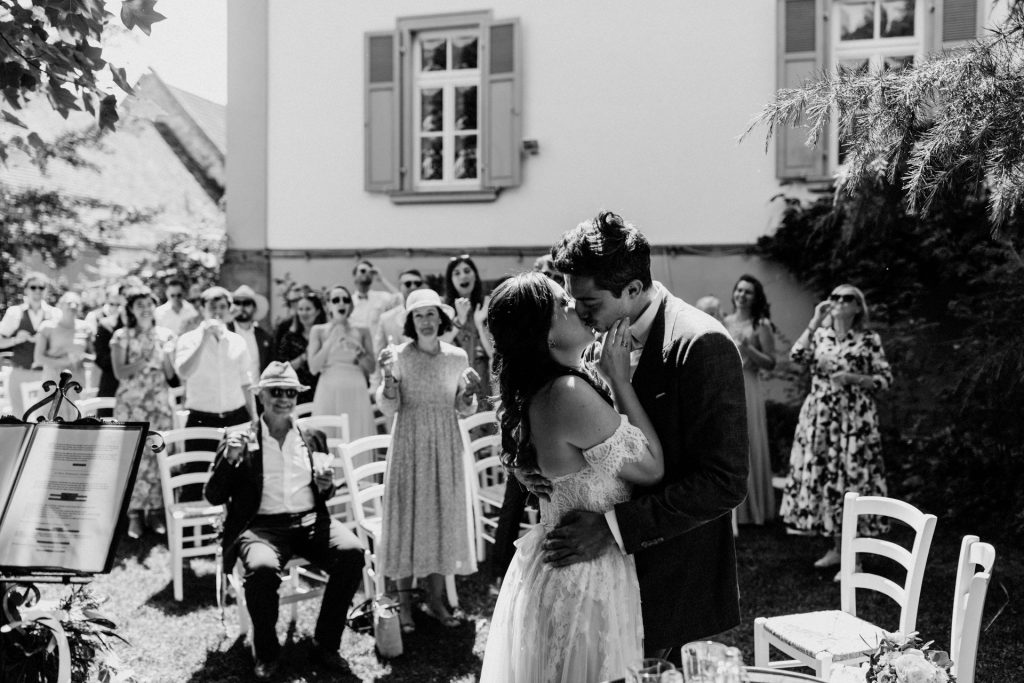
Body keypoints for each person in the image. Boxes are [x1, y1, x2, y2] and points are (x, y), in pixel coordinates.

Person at [530, 210, 749, 663]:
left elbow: (724, 482)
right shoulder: (597, 332)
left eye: (589, 303)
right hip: (597, 583)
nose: (578, 314)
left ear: (631, 289)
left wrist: (613, 528)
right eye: (573, 301)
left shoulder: (702, 344)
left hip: (670, 575)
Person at [480, 272, 664, 680]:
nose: (578, 307)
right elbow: (652, 468)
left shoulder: (545, 388)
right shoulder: (566, 392)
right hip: (584, 580)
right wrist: (620, 380)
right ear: (545, 335)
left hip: (566, 567)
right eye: (563, 304)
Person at [204, 362, 364, 679]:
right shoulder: (239, 438)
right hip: (261, 527)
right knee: (262, 570)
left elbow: (325, 490)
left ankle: (325, 644)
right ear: (261, 395)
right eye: (276, 391)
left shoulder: (312, 436)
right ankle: (267, 653)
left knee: (352, 553)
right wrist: (229, 460)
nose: (283, 398)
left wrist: (326, 486)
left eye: (290, 392)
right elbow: (213, 495)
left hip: (310, 520)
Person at [375, 288, 481, 632]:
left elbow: (463, 407)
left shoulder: (457, 357)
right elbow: (388, 406)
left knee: (441, 518)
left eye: (431, 314)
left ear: (441, 318)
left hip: (445, 446)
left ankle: (436, 600)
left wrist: (469, 393)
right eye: (418, 315)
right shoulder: (398, 356)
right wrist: (387, 379)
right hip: (409, 445)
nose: (425, 321)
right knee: (407, 519)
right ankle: (405, 605)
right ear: (410, 321)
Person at [779, 284, 892, 581]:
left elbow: (885, 379)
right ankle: (837, 548)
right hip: (821, 419)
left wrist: (855, 378)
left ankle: (854, 559)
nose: (840, 301)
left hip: (855, 420)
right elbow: (797, 355)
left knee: (852, 482)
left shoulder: (869, 339)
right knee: (828, 480)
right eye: (835, 297)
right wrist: (815, 320)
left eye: (847, 298)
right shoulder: (820, 335)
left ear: (858, 307)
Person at [111, 286, 176, 538]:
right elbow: (120, 372)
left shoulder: (167, 335)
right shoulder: (122, 336)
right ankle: (134, 515)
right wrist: (145, 359)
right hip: (131, 405)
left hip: (159, 404)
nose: (146, 309)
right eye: (140, 305)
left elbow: (170, 374)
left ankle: (157, 512)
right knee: (134, 457)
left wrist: (167, 357)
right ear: (131, 309)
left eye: (149, 304)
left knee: (158, 456)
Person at [723, 275, 778, 526]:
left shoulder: (761, 324)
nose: (742, 295)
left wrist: (748, 348)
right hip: (727, 384)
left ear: (756, 298)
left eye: (748, 292)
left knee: (748, 439)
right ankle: (732, 509)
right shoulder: (724, 321)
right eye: (739, 290)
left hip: (749, 384)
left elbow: (771, 362)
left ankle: (753, 508)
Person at [307, 285, 376, 439]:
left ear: (350, 305)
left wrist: (358, 350)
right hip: (328, 389)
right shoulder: (318, 331)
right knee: (327, 437)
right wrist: (331, 340)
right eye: (336, 300)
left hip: (356, 389)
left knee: (356, 435)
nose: (341, 303)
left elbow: (372, 368)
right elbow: (313, 368)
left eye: (346, 300)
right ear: (327, 305)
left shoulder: (362, 330)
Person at [0, 272, 59, 417]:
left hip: (46, 375)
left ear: (46, 290)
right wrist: (16, 339)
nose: (37, 290)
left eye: (41, 287)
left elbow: (62, 345)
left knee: (44, 419)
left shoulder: (55, 314)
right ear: (26, 289)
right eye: (33, 287)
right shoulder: (15, 312)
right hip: (20, 373)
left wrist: (46, 339)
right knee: (20, 419)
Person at [443, 254, 493, 404]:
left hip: (484, 383)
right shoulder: (443, 310)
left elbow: (493, 353)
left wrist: (480, 323)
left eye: (467, 271)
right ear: (450, 280)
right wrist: (459, 321)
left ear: (475, 275)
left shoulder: (487, 306)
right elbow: (437, 345)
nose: (463, 276)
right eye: (457, 273)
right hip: (454, 385)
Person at [273, 290, 325, 406]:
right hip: (296, 394)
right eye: (300, 309)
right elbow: (282, 368)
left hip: (322, 390)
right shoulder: (289, 337)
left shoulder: (325, 336)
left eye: (308, 309)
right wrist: (304, 356)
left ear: (317, 311)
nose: (303, 313)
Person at [34, 290, 92, 389]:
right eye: (69, 303)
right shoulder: (47, 327)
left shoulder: (86, 328)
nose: (73, 306)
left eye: (77, 304)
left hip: (77, 383)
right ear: (60, 305)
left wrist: (81, 357)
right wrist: (64, 361)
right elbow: (38, 358)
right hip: (53, 382)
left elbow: (93, 356)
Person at [227, 285, 274, 381]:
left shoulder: (264, 337)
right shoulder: (225, 331)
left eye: (247, 303)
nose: (241, 307)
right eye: (237, 303)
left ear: (254, 308)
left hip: (256, 389)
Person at [373, 269, 425, 353]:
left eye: (417, 283)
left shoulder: (432, 315)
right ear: (400, 287)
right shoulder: (386, 319)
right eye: (408, 284)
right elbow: (379, 352)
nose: (413, 287)